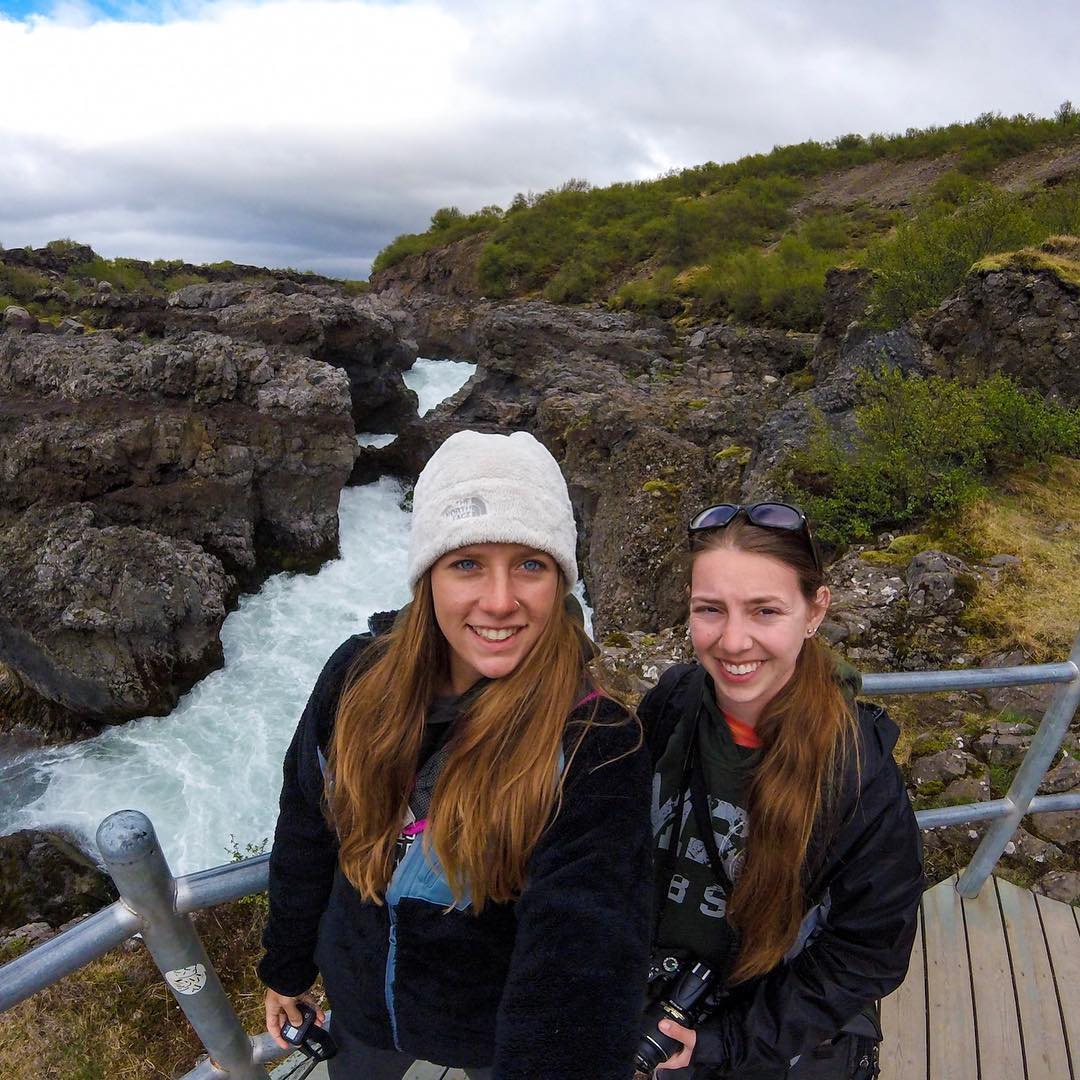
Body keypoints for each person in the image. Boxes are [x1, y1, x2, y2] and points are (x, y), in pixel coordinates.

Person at [257, 429, 653, 1080]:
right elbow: (306, 826)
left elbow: (581, 963)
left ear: (561, 578)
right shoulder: (355, 679)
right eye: (467, 562)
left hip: (491, 1034)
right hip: (361, 1009)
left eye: (530, 563)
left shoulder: (595, 747)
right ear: (428, 575)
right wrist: (288, 967)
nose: (500, 601)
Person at [637, 502, 923, 1079]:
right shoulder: (676, 700)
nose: (733, 641)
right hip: (650, 999)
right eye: (710, 610)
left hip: (749, 1039)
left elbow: (865, 953)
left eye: (765, 611)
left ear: (814, 612)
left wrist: (726, 1043)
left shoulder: (860, 779)